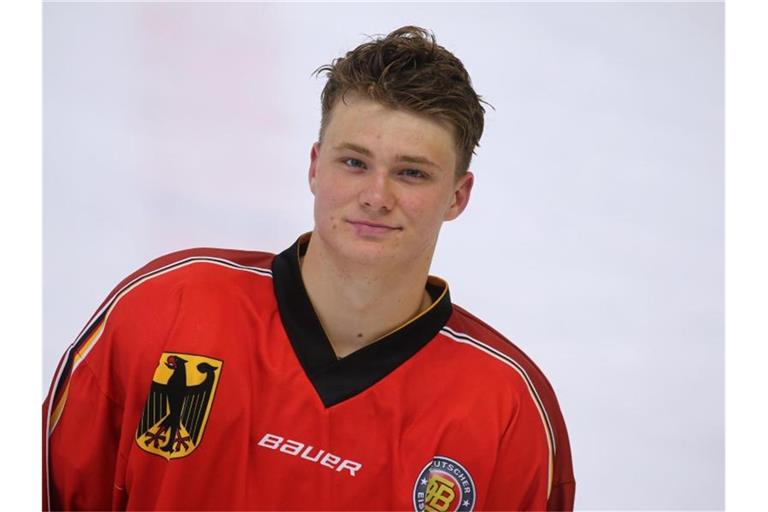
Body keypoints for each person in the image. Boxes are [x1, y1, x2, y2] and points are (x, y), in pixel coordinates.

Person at [43, 26, 575, 511]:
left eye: (411, 173)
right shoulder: (167, 308)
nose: (376, 196)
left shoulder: (508, 409)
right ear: (315, 166)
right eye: (354, 162)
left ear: (458, 195)